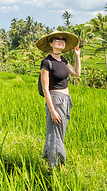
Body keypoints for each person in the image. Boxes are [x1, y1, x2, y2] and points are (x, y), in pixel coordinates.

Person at [35, 30, 81, 169]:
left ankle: (47, 160)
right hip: (55, 100)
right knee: (55, 134)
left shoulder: (63, 60)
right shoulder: (47, 62)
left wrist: (77, 56)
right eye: (57, 39)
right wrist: (52, 110)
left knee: (58, 133)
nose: (61, 41)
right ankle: (57, 166)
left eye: (63, 39)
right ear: (51, 43)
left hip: (66, 100)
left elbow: (77, 73)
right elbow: (45, 89)